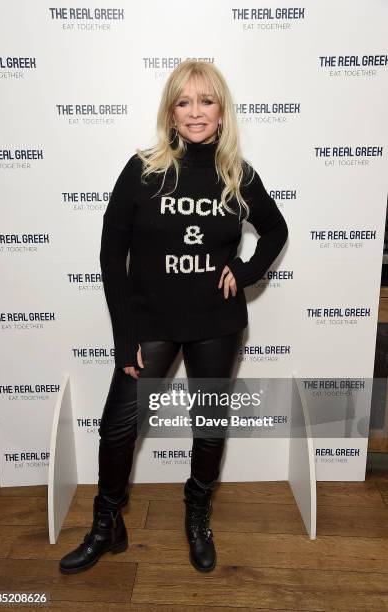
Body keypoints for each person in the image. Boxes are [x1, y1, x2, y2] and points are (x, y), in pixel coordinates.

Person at [59, 60, 288, 575]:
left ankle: (197, 516)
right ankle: (106, 524)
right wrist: (125, 339)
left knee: (208, 426)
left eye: (206, 101)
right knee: (118, 428)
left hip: (217, 323)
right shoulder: (143, 169)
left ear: (222, 112)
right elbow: (110, 256)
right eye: (184, 102)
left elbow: (274, 230)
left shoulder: (237, 174)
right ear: (171, 113)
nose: (195, 112)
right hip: (153, 323)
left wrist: (246, 270)